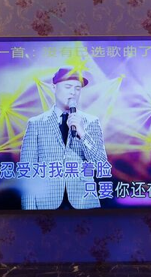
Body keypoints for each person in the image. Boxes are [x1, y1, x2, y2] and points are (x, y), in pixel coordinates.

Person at [19, 67, 108, 210]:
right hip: (46, 203)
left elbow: (101, 164)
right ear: (54, 87)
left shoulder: (91, 122)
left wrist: (83, 134)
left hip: (84, 203)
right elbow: (27, 171)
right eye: (68, 87)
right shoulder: (36, 123)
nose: (73, 92)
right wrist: (29, 212)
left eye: (77, 88)